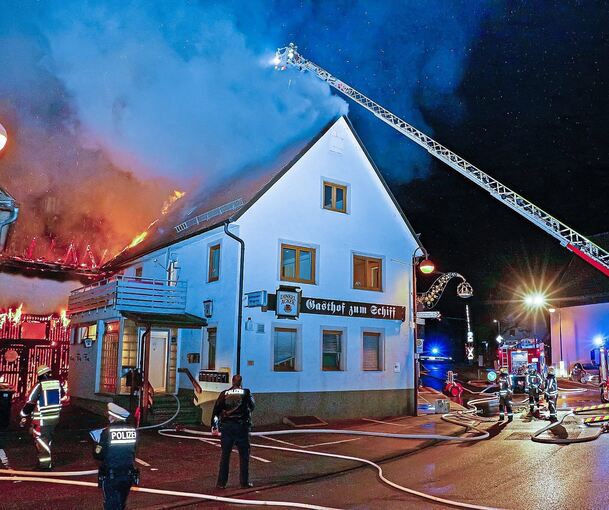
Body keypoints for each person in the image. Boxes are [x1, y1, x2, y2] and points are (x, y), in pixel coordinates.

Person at [212, 374, 255, 489]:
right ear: (241, 382)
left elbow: (216, 411)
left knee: (225, 455)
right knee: (244, 456)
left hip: (227, 428)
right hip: (241, 428)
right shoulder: (246, 393)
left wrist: (214, 426)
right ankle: (244, 482)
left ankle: (221, 483)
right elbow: (252, 406)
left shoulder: (224, 394)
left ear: (232, 382)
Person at [93, 403, 139, 510]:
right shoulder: (133, 431)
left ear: (114, 417)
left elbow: (98, 455)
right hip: (128, 475)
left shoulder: (106, 432)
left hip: (112, 475)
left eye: (110, 415)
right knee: (121, 504)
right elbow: (134, 450)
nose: (109, 418)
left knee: (111, 505)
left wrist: (96, 443)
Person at [19, 365, 66, 469]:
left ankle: (45, 465)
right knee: (47, 438)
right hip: (54, 418)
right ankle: (46, 463)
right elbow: (62, 395)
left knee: (40, 440)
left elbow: (30, 402)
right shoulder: (57, 384)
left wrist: (23, 414)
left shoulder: (39, 385)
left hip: (42, 420)